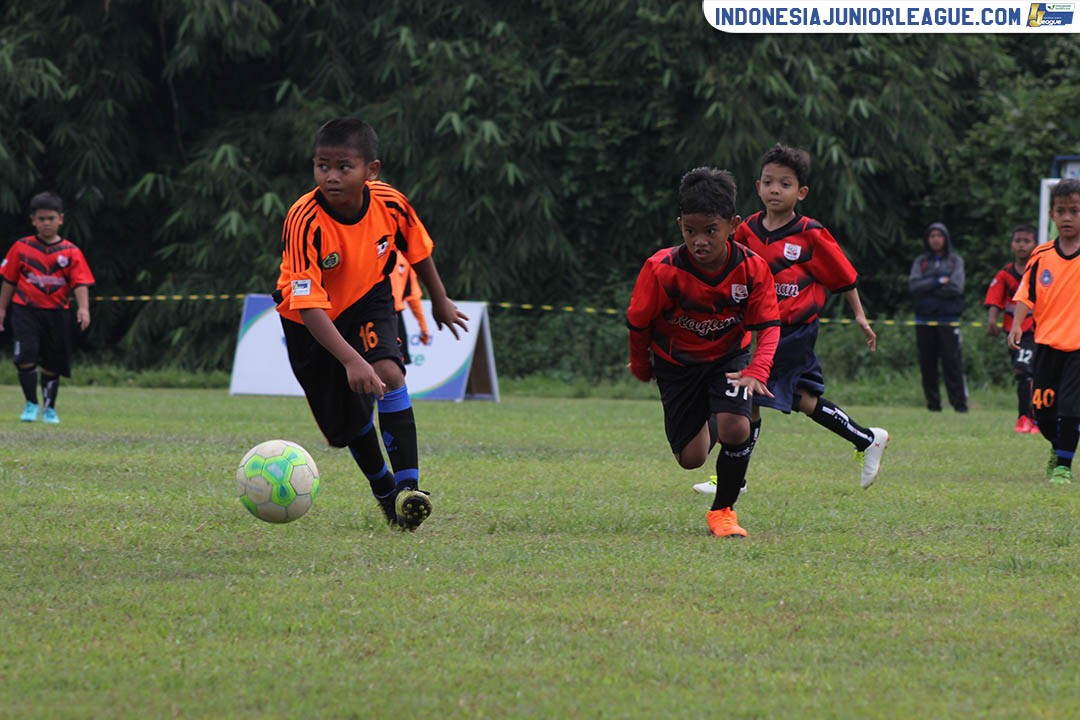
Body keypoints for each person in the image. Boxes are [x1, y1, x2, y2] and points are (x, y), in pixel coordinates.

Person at [274, 117, 468, 529]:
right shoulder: (304, 220)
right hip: (311, 323)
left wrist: (439, 299)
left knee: (388, 373)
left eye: (344, 167)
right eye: (322, 166)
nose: (331, 176)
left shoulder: (390, 202)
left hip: (369, 298)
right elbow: (309, 308)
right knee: (353, 424)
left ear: (371, 171)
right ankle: (386, 495)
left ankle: (409, 489)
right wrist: (349, 360)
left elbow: (417, 248)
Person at [692, 144, 888, 499]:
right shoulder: (748, 230)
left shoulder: (810, 233)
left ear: (801, 192)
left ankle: (733, 477)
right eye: (769, 182)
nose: (775, 190)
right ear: (758, 186)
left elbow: (843, 276)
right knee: (802, 400)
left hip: (793, 332)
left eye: (784, 184)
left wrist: (859, 315)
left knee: (745, 393)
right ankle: (866, 438)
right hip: (759, 329)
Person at [627, 166, 781, 538]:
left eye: (710, 231)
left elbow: (769, 326)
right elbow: (638, 323)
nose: (700, 241)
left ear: (733, 225)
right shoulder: (661, 269)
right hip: (676, 365)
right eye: (690, 231)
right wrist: (640, 362)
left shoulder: (752, 269)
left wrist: (758, 369)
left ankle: (723, 512)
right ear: (680, 225)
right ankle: (718, 410)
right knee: (691, 459)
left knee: (737, 426)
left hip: (728, 358)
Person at [1008, 177, 1080, 485]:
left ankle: (1064, 465)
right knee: (1042, 412)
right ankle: (1057, 446)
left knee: (1069, 407)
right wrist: (1014, 326)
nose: (1067, 217)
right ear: (1051, 215)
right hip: (1046, 344)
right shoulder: (1041, 255)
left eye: (1075, 211)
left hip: (1077, 347)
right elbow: (1026, 293)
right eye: (1061, 211)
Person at [0, 192, 95, 424]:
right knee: (25, 356)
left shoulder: (70, 251)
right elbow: (9, 280)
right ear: (33, 220)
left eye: (51, 218)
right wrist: (2, 309)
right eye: (41, 218)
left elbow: (80, 282)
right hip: (26, 310)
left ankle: (49, 408)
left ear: (60, 219)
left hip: (58, 311)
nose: (46, 223)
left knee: (53, 362)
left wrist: (83, 308)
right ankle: (31, 404)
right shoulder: (21, 248)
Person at [984, 223, 1039, 434]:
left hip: (1035, 331)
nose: (1022, 245)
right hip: (1012, 332)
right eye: (1018, 241)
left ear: (1035, 244)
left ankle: (1026, 418)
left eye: (1027, 241)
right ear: (1011, 245)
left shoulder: (1039, 270)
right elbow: (995, 300)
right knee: (1025, 374)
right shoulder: (1005, 275)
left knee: (1024, 371)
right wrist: (992, 322)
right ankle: (1032, 418)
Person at [909, 221, 968, 412]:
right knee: (928, 363)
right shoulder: (921, 261)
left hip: (948, 319)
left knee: (952, 363)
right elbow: (914, 286)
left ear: (945, 238)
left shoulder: (955, 261)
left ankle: (960, 405)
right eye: (932, 236)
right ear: (927, 239)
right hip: (924, 319)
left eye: (939, 236)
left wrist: (930, 288)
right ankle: (933, 405)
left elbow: (956, 287)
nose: (935, 240)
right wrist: (939, 281)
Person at [389, 255, 431, 365]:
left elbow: (413, 296)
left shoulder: (404, 257)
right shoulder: (373, 250)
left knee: (398, 365)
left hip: (394, 317)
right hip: (369, 314)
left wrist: (423, 327)